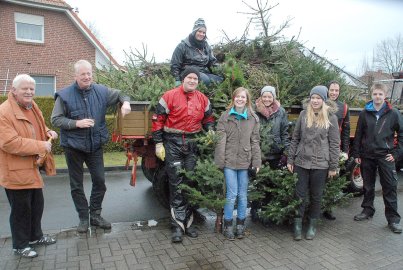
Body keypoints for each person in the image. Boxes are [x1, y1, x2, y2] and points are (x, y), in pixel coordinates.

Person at [51, 60, 132, 233]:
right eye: (83, 74)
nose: (87, 77)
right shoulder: (64, 95)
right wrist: (76, 123)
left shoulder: (101, 91)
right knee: (76, 185)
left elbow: (122, 94)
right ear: (76, 76)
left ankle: (95, 215)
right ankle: (83, 218)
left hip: (95, 145)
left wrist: (125, 102)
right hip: (73, 147)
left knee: (100, 181)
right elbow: (55, 119)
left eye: (89, 73)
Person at [152, 66, 214, 243]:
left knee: (190, 183)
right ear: (183, 79)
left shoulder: (202, 99)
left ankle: (189, 222)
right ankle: (177, 226)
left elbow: (208, 119)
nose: (193, 81)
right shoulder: (169, 96)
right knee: (176, 184)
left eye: (195, 78)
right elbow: (157, 120)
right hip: (173, 143)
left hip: (192, 143)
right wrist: (158, 143)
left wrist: (210, 130)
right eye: (190, 78)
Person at [0, 74, 58, 258]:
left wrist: (47, 131)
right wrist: (41, 145)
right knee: (21, 210)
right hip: (15, 171)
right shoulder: (4, 112)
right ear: (14, 90)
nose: (29, 92)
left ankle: (35, 236)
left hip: (32, 167)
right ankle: (20, 245)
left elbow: (38, 126)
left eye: (32, 88)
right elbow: (10, 143)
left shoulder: (32, 106)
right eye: (25, 88)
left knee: (37, 205)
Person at [287, 85, 340, 241]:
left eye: (318, 98)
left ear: (323, 100)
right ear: (310, 99)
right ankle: (297, 225)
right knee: (299, 195)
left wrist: (333, 166)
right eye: (313, 97)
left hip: (320, 164)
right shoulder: (304, 114)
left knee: (316, 196)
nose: (315, 101)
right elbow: (295, 138)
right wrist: (290, 159)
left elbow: (334, 143)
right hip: (301, 162)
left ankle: (311, 225)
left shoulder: (331, 118)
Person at [351, 83, 403, 234]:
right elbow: (359, 134)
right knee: (368, 185)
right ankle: (367, 210)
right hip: (367, 155)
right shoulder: (364, 113)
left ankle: (393, 219)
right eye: (375, 94)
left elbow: (401, 135)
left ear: (385, 96)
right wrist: (357, 154)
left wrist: (396, 154)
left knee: (389, 187)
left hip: (385, 156)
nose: (378, 97)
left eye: (380, 94)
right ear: (371, 95)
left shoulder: (393, 113)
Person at [215, 87, 261, 240]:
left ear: (247, 100)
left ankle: (240, 225)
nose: (240, 99)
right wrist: (220, 161)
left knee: (242, 195)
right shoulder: (225, 117)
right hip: (229, 161)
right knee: (232, 194)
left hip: (245, 162)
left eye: (243, 97)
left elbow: (255, 141)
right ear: (233, 98)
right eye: (237, 97)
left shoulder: (253, 118)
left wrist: (256, 162)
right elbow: (220, 141)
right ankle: (228, 225)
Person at [250, 85, 289, 221]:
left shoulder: (281, 111)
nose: (267, 99)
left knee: (271, 183)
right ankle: (255, 209)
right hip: (259, 154)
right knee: (257, 182)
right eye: (264, 96)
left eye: (269, 96)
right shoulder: (254, 111)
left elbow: (285, 132)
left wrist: (286, 150)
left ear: (273, 97)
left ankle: (267, 210)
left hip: (275, 154)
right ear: (261, 97)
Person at [322, 80, 351, 220]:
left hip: (335, 148)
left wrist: (345, 151)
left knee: (332, 178)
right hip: (320, 147)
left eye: (336, 90)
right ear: (327, 90)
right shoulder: (320, 103)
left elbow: (346, 131)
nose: (334, 93)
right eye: (331, 90)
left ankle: (328, 208)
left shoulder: (343, 108)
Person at [171, 18, 223, 87]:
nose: (202, 34)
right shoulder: (182, 46)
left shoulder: (206, 46)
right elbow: (175, 64)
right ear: (194, 31)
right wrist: (177, 79)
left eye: (204, 32)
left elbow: (212, 62)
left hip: (204, 72)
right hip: (187, 73)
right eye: (199, 31)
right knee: (205, 80)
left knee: (220, 79)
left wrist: (222, 70)